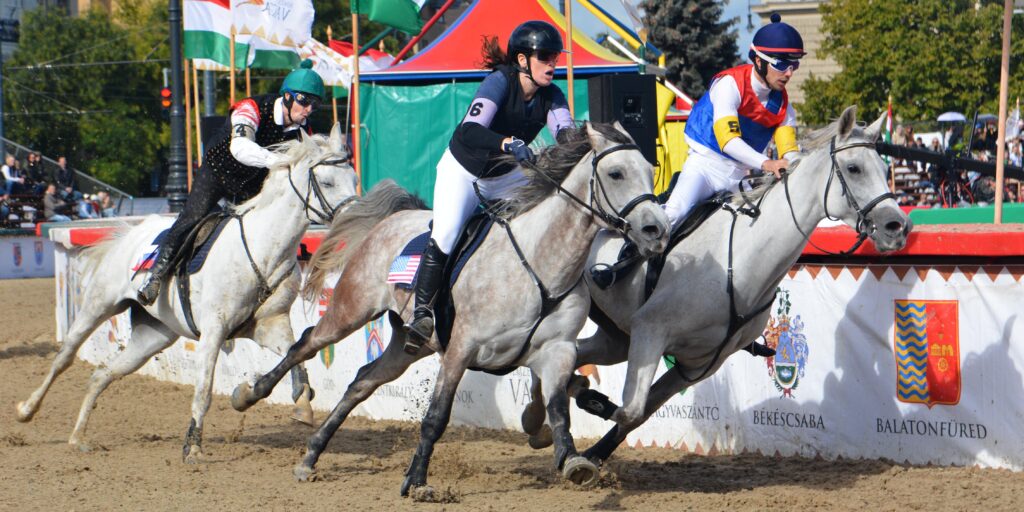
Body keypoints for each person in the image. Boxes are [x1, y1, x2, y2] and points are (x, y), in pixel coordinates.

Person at [402, 20, 574, 353]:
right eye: (546, 56)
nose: (553, 63)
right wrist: (508, 143)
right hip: (464, 171)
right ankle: (421, 315)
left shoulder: (552, 95)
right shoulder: (499, 82)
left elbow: (565, 133)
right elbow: (470, 131)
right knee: (448, 233)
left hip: (505, 177)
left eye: (555, 56)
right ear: (522, 60)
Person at [136, 59, 325, 305]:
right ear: (287, 97)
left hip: (251, 184)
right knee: (192, 217)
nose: (309, 109)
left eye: (315, 104)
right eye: (304, 101)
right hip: (218, 171)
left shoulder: (304, 132)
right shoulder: (251, 107)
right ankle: (155, 277)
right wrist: (280, 160)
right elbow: (241, 149)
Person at [663, 13, 803, 229]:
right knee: (673, 215)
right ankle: (628, 259)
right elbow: (728, 142)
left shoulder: (785, 108)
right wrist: (767, 163)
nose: (789, 73)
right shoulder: (729, 85)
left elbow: (790, 155)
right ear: (758, 60)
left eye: (794, 64)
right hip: (704, 166)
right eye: (781, 64)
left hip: (740, 177)